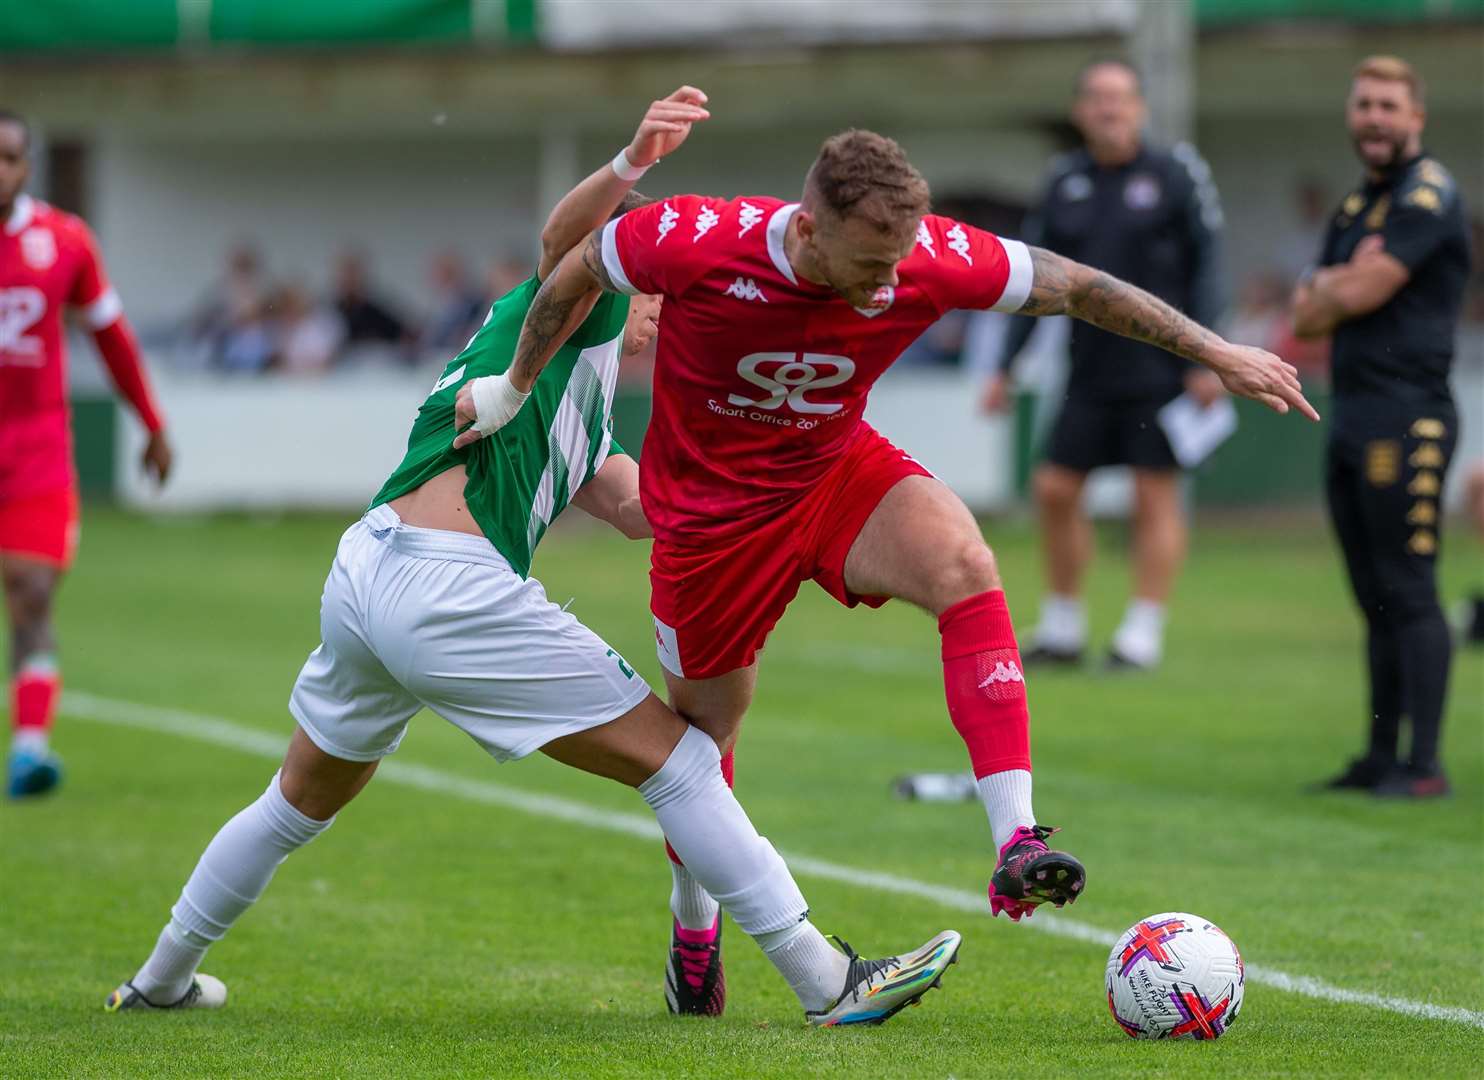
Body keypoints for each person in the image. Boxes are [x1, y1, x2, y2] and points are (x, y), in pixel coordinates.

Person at [106, 89, 962, 1029]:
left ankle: (159, 981)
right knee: (682, 761)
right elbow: (566, 248)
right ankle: (824, 980)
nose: (666, 323)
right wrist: (631, 164)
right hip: (446, 588)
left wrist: (780, 523)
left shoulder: (579, 406)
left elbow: (645, 511)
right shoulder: (581, 314)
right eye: (666, 304)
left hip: (368, 574)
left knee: (294, 803)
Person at [455, 127, 1316, 1014]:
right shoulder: (697, 238)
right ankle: (694, 929)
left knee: (965, 562)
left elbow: (1076, 286)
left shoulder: (927, 257)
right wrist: (514, 386)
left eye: (900, 259)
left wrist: (1219, 352)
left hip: (833, 472)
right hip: (713, 530)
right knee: (701, 748)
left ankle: (1016, 840)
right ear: (808, 229)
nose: (890, 284)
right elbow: (576, 263)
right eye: (870, 263)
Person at [980, 58, 1227, 671]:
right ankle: (1063, 626)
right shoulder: (1065, 181)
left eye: (1119, 98)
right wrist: (1005, 367)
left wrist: (1209, 358)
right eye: (1096, 98)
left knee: (1153, 497)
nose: (1109, 109)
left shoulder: (1176, 174)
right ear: (1080, 111)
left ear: (1139, 108)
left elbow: (1209, 265)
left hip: (1163, 371)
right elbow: (1031, 277)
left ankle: (1142, 631)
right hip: (1087, 369)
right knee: (1055, 489)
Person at [1294, 57, 1472, 799]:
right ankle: (1378, 755)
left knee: (1410, 589)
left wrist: (1338, 287)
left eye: (1389, 106)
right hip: (1354, 412)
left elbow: (1367, 287)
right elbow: (1305, 316)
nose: (1374, 117)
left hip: (1409, 417)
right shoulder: (1352, 209)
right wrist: (1338, 289)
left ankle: (1423, 765)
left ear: (1415, 117)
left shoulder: (1428, 196)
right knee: (1372, 593)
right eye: (1364, 103)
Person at [0, 109, 174, 798]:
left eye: (9, 157)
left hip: (37, 447)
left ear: (27, 166)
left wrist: (152, 425)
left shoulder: (64, 242)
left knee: (33, 592)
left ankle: (30, 748)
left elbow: (112, 338)